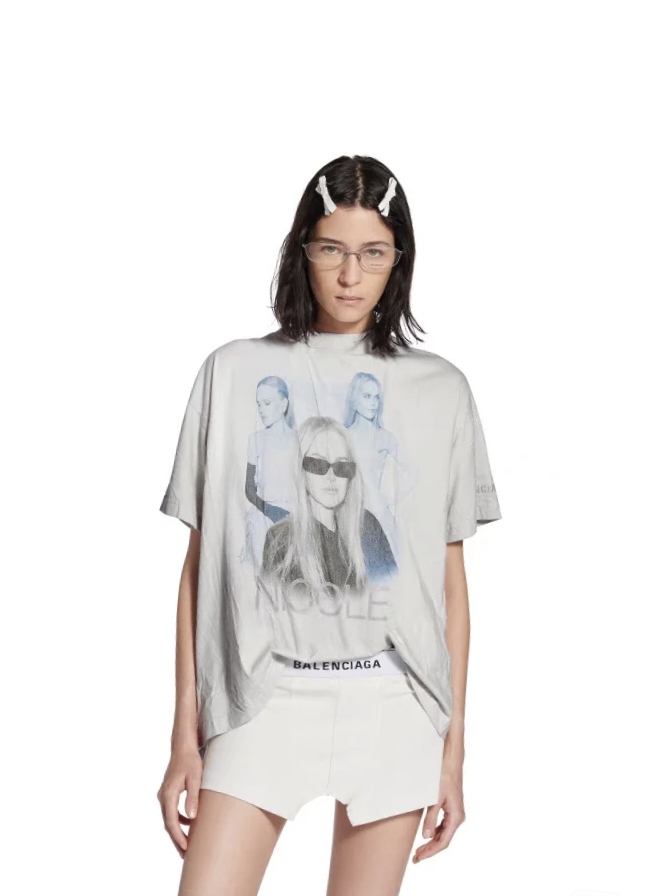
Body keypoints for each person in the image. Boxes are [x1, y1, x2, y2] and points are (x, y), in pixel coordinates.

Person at [156, 155, 502, 896]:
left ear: (399, 260)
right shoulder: (232, 372)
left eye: (374, 253)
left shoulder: (441, 389)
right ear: (302, 251)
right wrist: (185, 732)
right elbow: (199, 571)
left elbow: (449, 585)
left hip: (394, 705)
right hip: (260, 694)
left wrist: (453, 750)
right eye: (331, 249)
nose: (350, 275)